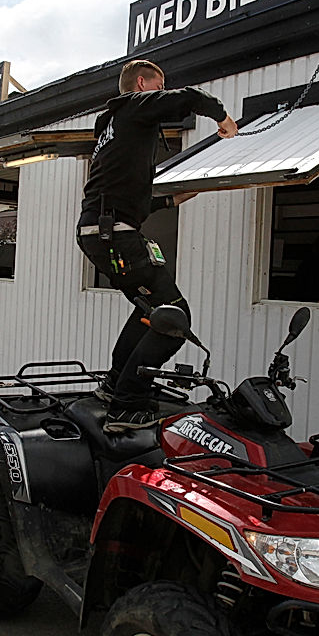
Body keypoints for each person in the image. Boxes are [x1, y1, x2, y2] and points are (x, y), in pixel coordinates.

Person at [77, 58, 238, 432]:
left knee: (150, 308)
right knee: (176, 315)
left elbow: (119, 190)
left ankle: (116, 383)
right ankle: (127, 405)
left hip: (101, 231)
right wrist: (223, 118)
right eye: (158, 88)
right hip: (115, 235)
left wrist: (171, 200)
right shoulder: (134, 106)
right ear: (141, 83)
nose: (160, 96)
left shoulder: (113, 127)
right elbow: (191, 97)